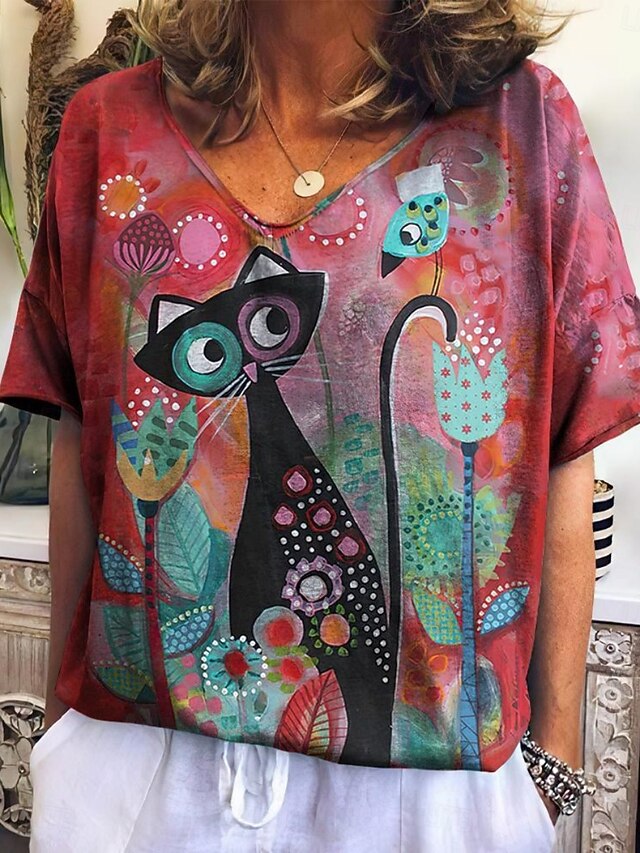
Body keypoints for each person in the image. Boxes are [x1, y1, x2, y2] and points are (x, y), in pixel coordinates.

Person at [2, 1, 639, 850]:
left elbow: (568, 444)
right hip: (140, 774)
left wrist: (552, 763)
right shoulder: (108, 128)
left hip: (426, 800)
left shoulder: (523, 125)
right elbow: (82, 434)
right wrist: (60, 737)